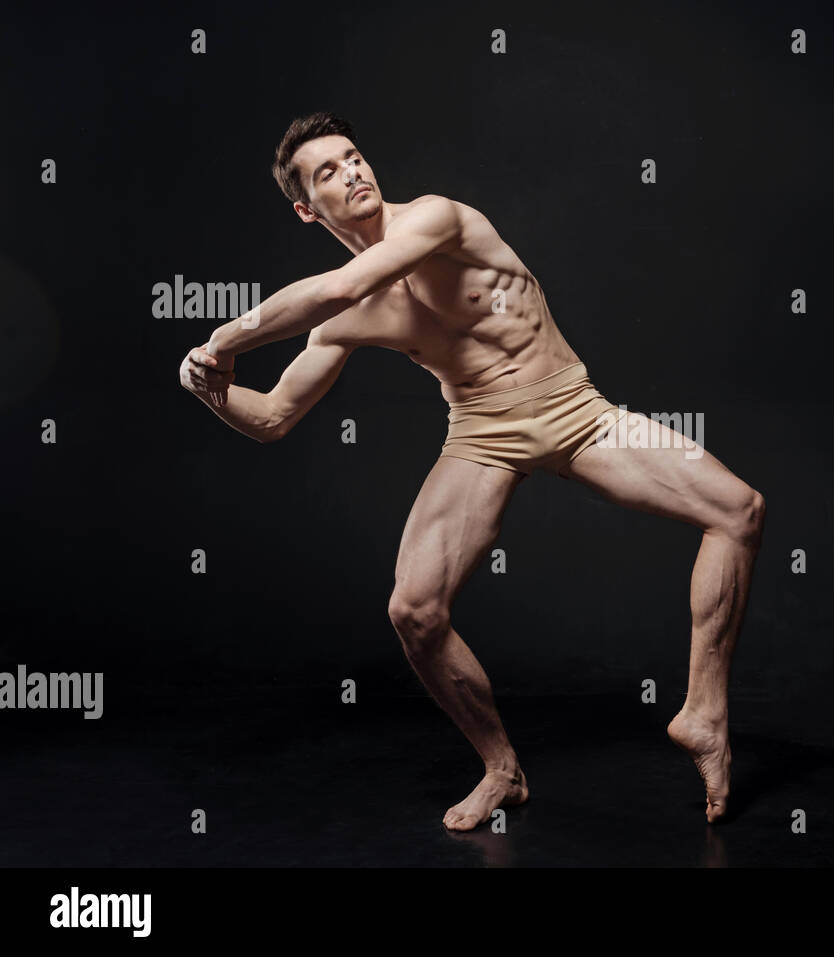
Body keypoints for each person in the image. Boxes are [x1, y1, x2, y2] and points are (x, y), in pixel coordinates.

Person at [178, 112, 764, 829]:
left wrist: (221, 339)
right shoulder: (349, 315)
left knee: (738, 510)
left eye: (354, 156)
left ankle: (703, 712)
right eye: (328, 172)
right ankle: (502, 768)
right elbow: (272, 416)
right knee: (413, 611)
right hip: (482, 432)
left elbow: (332, 290)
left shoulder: (435, 218)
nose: (354, 172)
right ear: (305, 208)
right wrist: (212, 390)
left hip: (572, 408)